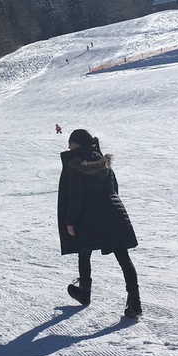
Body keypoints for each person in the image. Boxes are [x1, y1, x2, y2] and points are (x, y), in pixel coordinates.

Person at [57, 128, 141, 318]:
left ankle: (85, 291)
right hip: (113, 213)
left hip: (89, 215)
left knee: (83, 249)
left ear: (76, 144)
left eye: (69, 143)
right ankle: (134, 301)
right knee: (123, 257)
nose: (68, 147)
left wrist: (70, 221)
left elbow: (76, 196)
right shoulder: (103, 160)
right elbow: (114, 187)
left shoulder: (76, 162)